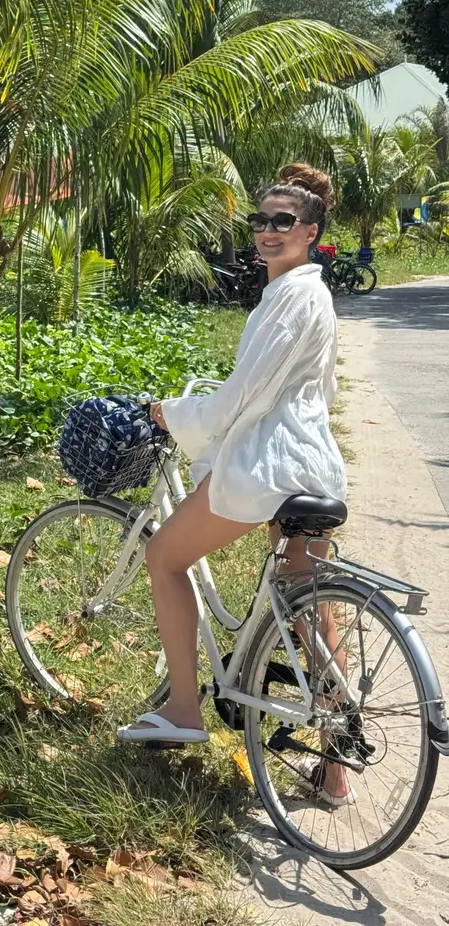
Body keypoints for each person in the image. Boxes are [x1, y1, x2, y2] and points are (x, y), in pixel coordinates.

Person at [117, 163, 353, 804]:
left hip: (272, 465)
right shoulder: (306, 293)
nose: (268, 231)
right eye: (261, 220)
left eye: (283, 221)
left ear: (311, 230)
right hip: (311, 461)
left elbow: (243, 398)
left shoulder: (295, 296)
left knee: (164, 555)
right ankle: (335, 768)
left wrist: (177, 414)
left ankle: (185, 711)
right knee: (307, 607)